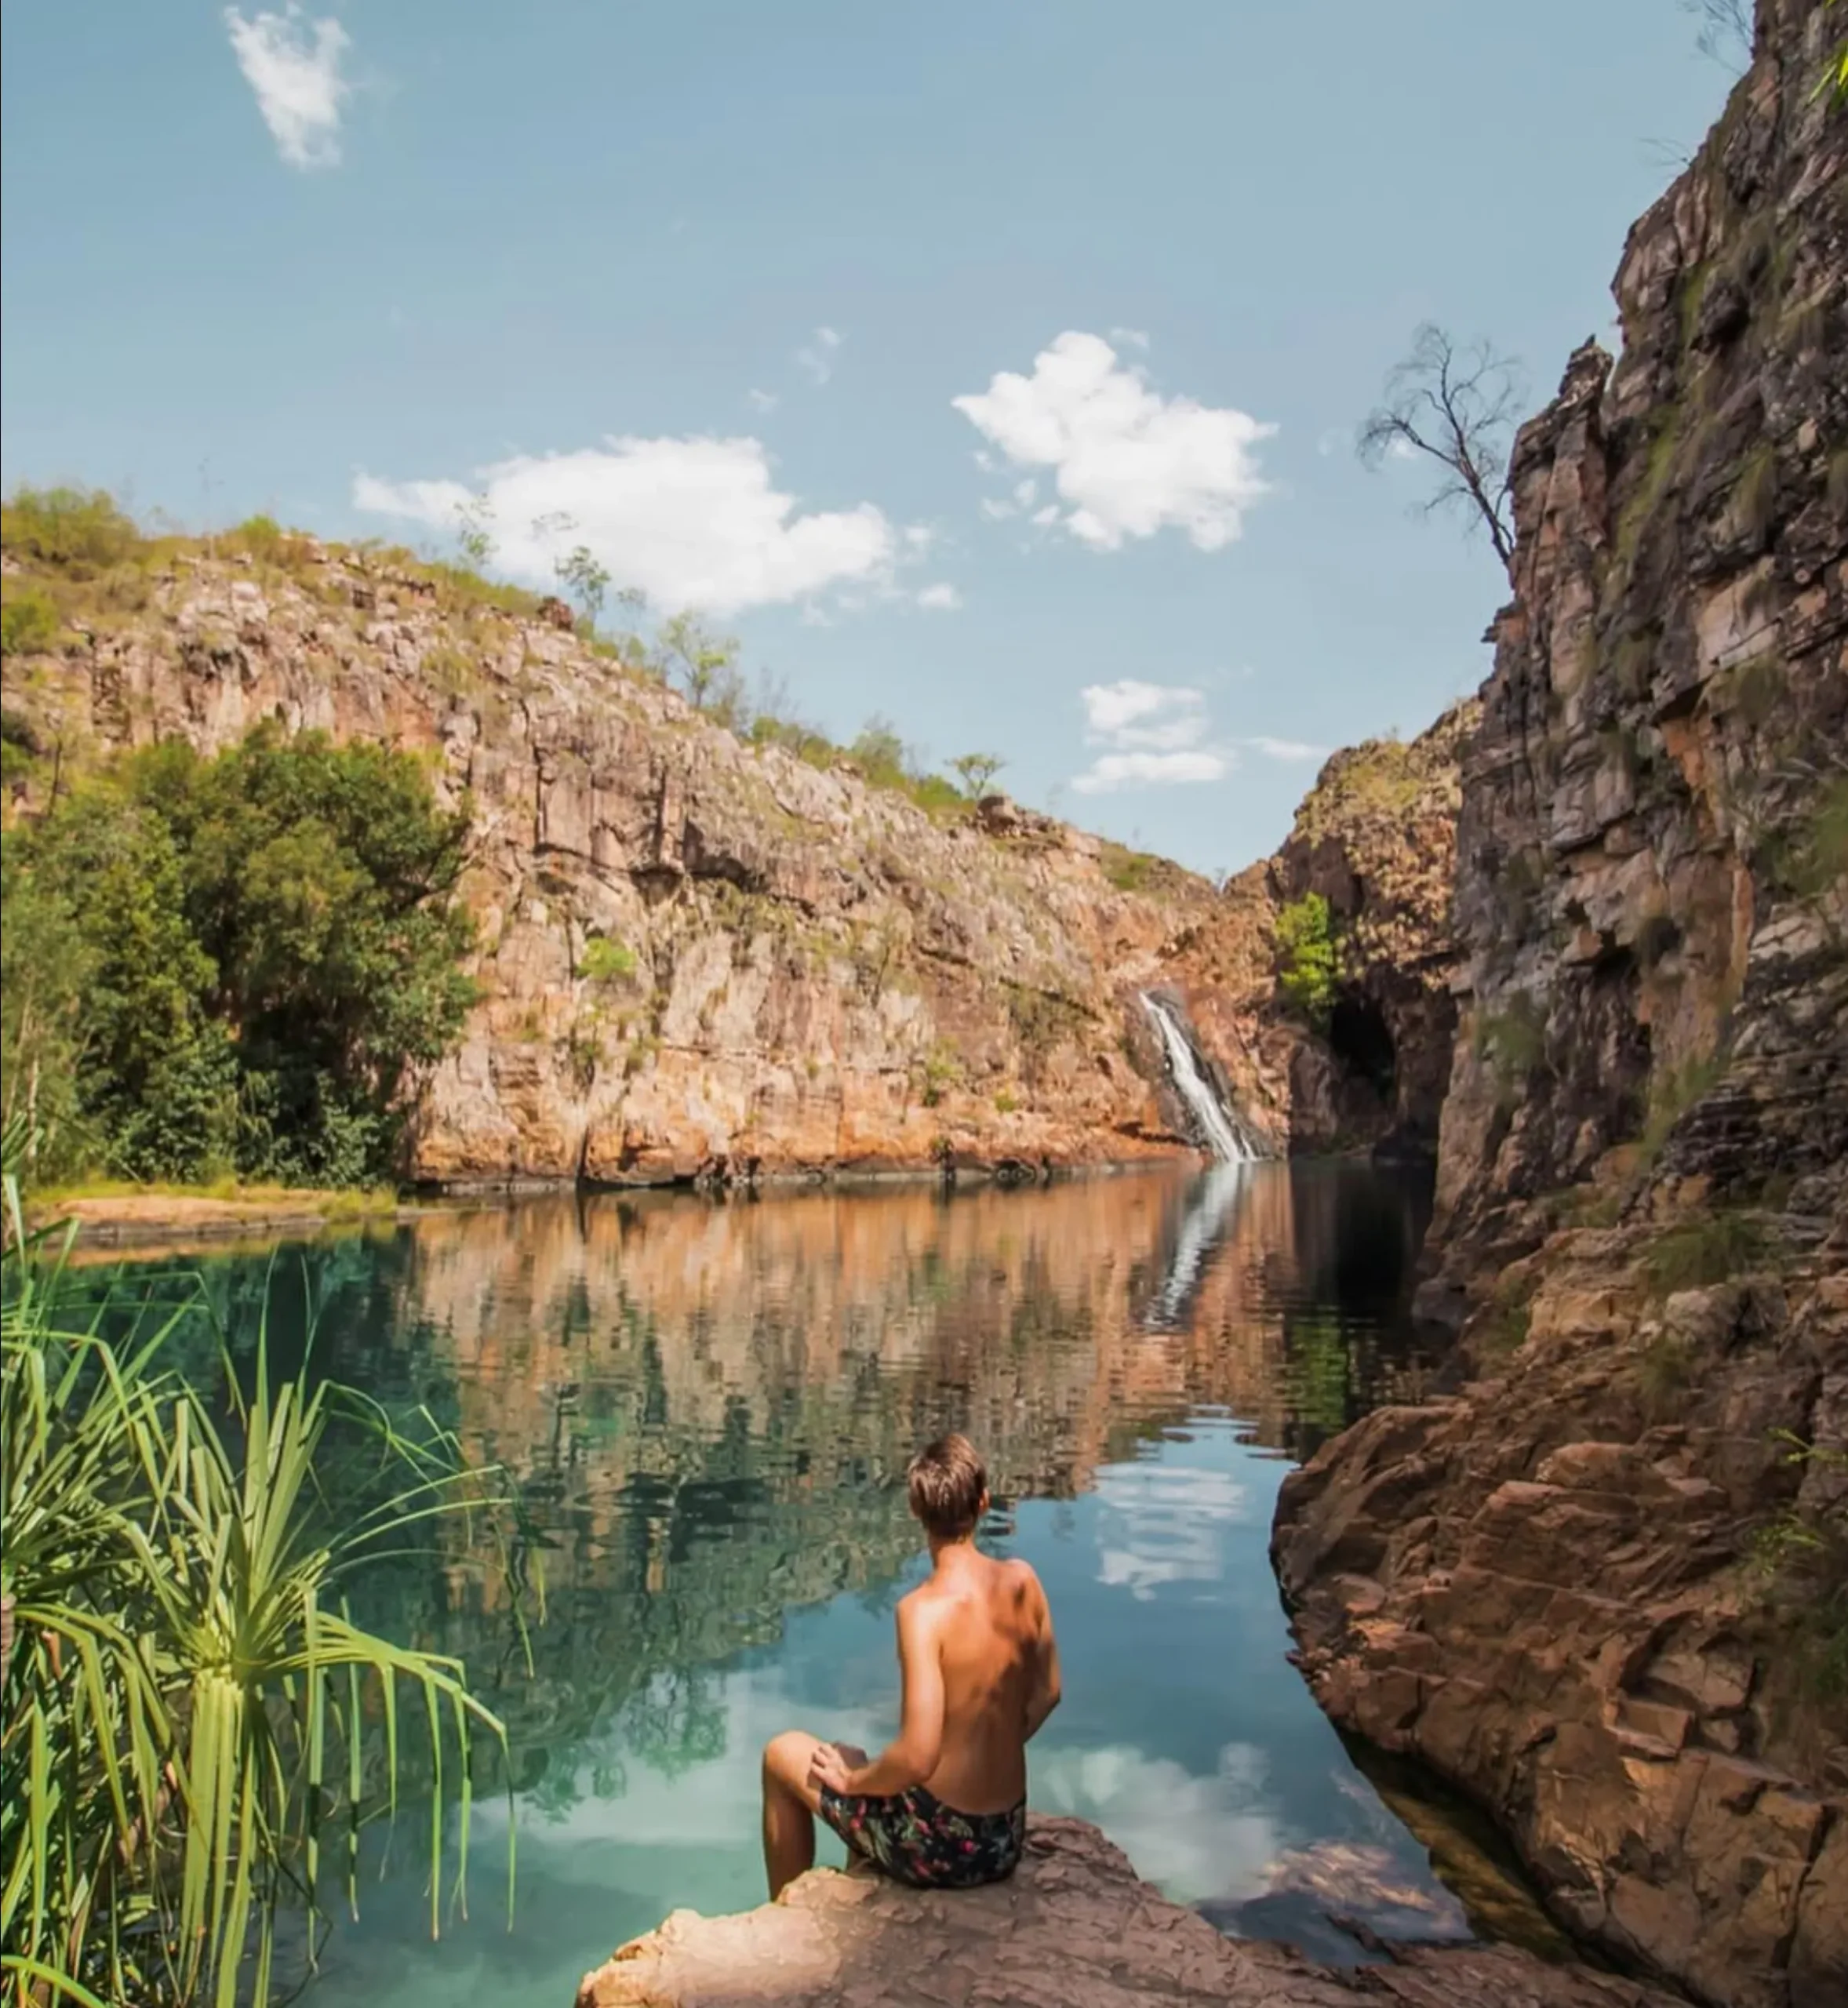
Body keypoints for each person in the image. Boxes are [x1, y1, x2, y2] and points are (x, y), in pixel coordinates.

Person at [760, 1434, 1062, 1899]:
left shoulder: (923, 1611)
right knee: (876, 1770)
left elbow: (919, 1757)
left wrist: (855, 1779)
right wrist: (987, 1755)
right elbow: (1048, 1695)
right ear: (983, 1502)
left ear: (917, 1511)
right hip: (1004, 1839)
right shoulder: (1024, 1580)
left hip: (943, 1849)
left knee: (783, 1754)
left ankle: (780, 1913)